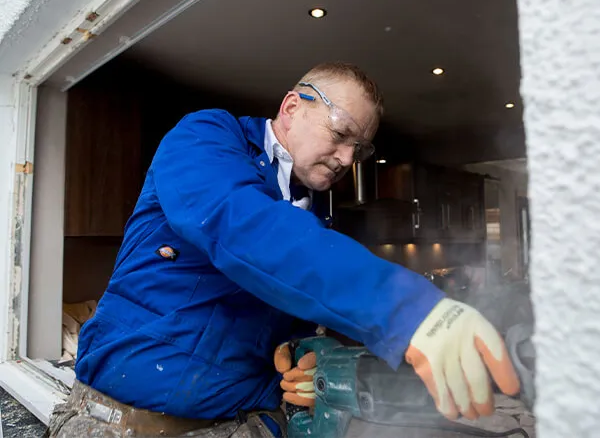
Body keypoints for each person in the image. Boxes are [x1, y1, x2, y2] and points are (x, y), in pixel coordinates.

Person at [47, 62, 520, 438]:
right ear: (293, 106)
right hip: (117, 423)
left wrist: (297, 359)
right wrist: (408, 309)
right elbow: (240, 227)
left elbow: (280, 313)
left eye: (361, 148)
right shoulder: (206, 137)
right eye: (340, 135)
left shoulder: (308, 215)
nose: (348, 160)